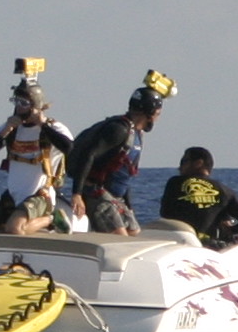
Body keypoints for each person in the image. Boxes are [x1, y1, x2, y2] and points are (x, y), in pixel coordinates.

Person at [62, 75, 168, 235]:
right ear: (149, 113)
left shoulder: (137, 134)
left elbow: (123, 174)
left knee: (135, 234)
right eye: (158, 113)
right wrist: (77, 194)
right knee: (122, 240)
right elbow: (88, 155)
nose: (158, 118)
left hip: (115, 198)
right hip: (96, 195)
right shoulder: (119, 130)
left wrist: (129, 207)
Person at [0, 74, 73, 231]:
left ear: (36, 106)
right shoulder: (10, 129)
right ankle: (13, 217)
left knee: (16, 229)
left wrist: (43, 125)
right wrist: (5, 132)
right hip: (13, 195)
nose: (19, 107)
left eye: (23, 103)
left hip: (40, 196)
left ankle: (51, 219)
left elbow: (70, 148)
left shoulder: (54, 128)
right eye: (16, 102)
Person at [159, 148, 238, 249]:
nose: (179, 167)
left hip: (177, 243)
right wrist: (229, 230)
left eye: (184, 162)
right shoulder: (223, 190)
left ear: (198, 163)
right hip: (206, 246)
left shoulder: (175, 182)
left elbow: (165, 212)